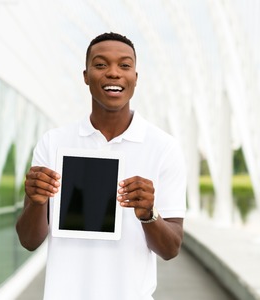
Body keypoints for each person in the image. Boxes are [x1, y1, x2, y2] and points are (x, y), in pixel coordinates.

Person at [16, 32, 187, 299]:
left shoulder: (163, 148)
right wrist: (37, 202)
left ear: (135, 78)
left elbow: (171, 248)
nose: (113, 73)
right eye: (100, 64)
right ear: (85, 76)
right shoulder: (54, 143)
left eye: (125, 65)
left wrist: (148, 215)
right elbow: (28, 240)